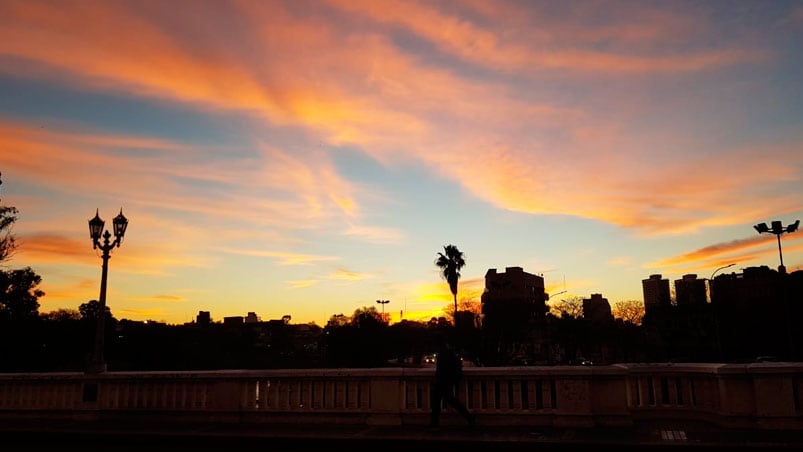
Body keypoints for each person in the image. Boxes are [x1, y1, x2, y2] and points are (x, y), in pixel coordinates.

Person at [430, 333, 474, 427]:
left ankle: (435, 424)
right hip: (446, 380)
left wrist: (438, 380)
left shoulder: (443, 353)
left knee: (439, 402)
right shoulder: (448, 351)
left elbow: (442, 369)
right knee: (448, 401)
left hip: (443, 381)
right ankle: (469, 418)